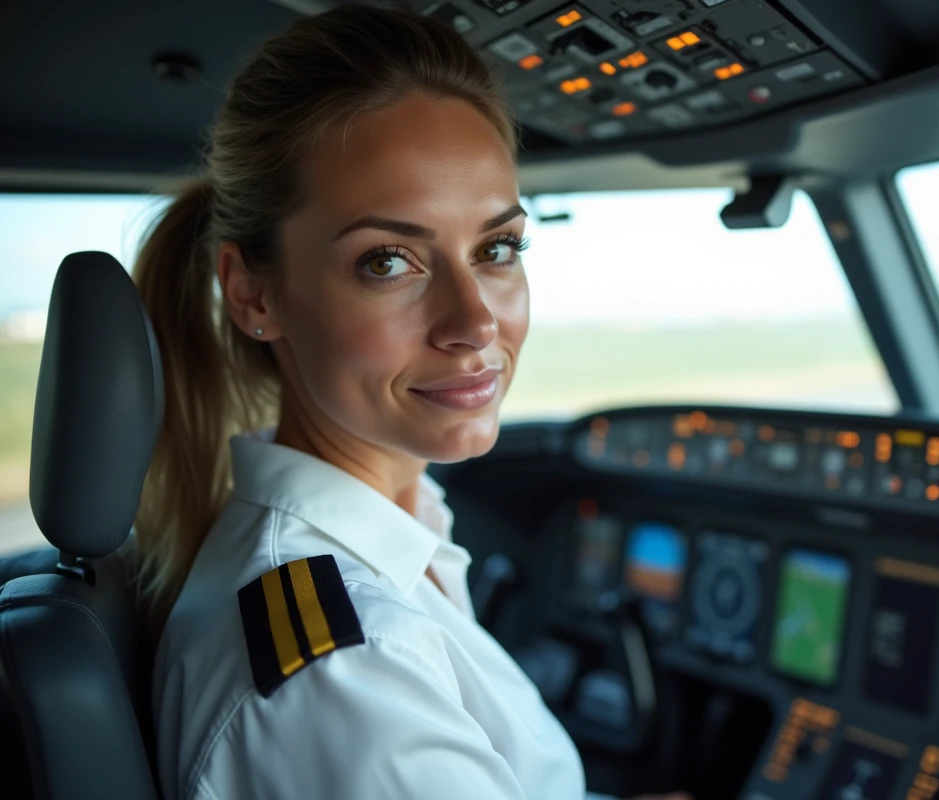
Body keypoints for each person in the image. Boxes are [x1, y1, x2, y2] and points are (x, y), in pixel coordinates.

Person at [134, 6, 690, 800]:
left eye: (496, 249)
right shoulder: (347, 676)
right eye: (388, 261)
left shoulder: (393, 536)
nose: (475, 323)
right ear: (255, 295)